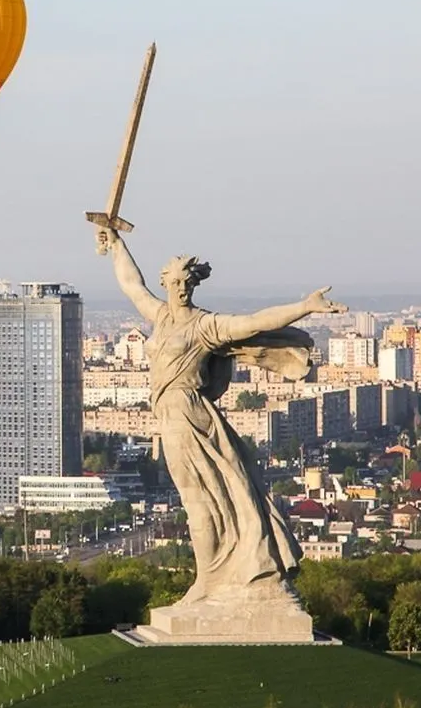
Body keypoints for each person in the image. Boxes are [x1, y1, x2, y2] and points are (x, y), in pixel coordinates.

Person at [96, 227, 347, 606]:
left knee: (201, 499)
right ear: (167, 283)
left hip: (188, 415)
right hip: (168, 416)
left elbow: (256, 322)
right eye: (176, 282)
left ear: (194, 287)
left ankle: (208, 581)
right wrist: (116, 244)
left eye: (188, 283)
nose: (181, 289)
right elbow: (132, 285)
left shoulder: (206, 326)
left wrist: (305, 306)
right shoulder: (161, 316)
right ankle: (214, 576)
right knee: (204, 498)